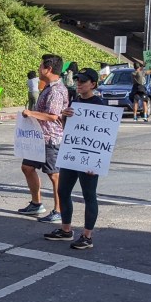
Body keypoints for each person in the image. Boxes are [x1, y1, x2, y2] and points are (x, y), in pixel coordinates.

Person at [44, 68, 104, 250]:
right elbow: (68, 130)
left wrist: (95, 162)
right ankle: (66, 230)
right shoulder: (75, 101)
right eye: (78, 80)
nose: (79, 84)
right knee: (63, 190)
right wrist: (64, 117)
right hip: (72, 154)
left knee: (89, 195)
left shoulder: (98, 104)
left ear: (93, 84)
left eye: (83, 81)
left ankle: (87, 236)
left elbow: (104, 135)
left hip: (89, 158)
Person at [18, 53, 68, 223]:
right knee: (27, 167)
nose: (38, 69)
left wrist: (31, 113)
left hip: (50, 138)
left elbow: (53, 116)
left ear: (49, 69)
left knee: (54, 175)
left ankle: (59, 210)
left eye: (41, 67)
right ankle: (36, 203)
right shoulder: (47, 86)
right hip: (38, 138)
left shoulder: (56, 90)